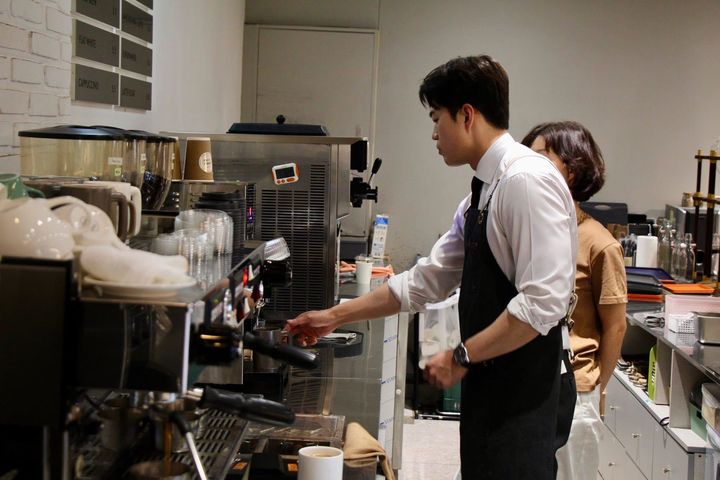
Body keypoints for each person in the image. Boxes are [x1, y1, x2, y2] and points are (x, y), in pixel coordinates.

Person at [286, 54, 578, 479]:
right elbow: (427, 280)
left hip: (524, 389)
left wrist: (462, 355)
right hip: (492, 383)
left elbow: (541, 305)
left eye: (437, 118)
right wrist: (333, 316)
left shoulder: (525, 182)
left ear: (467, 115)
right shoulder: (482, 192)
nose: (434, 133)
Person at [521, 121, 628, 480]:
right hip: (526, 385)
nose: (529, 166)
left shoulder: (600, 243)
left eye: (541, 157)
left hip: (574, 389)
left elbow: (615, 326)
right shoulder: (529, 230)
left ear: (572, 169)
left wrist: (595, 388)